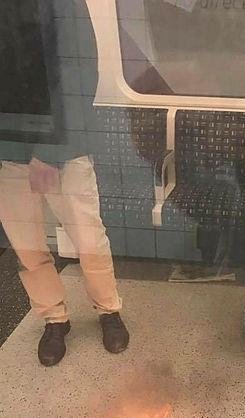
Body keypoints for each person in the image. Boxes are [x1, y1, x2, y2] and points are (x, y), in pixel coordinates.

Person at [0, 0, 129, 366]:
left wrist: (49, 152)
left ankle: (108, 310)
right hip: (6, 149)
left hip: (65, 145)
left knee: (89, 239)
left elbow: (79, 71)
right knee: (27, 247)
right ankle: (54, 318)